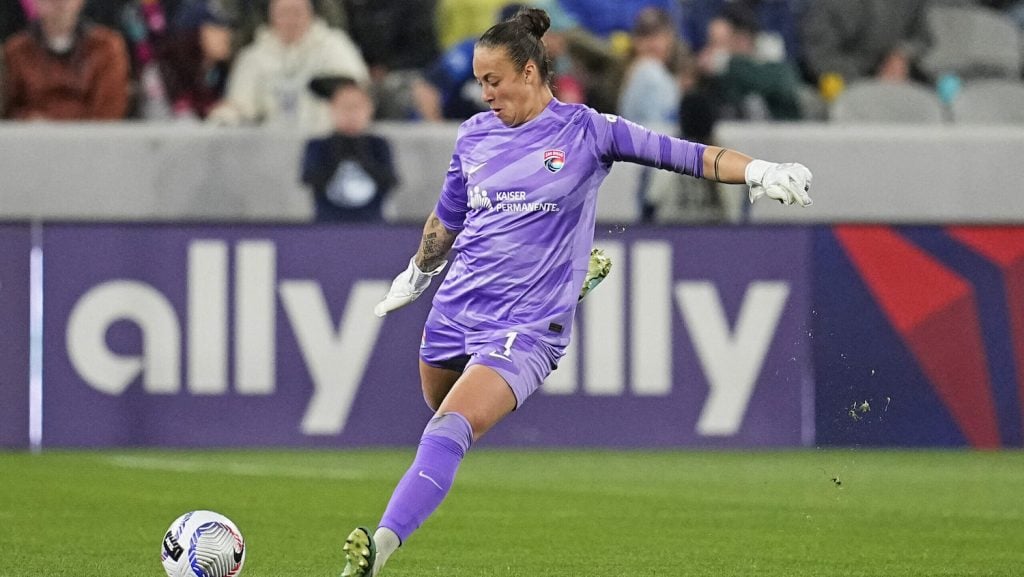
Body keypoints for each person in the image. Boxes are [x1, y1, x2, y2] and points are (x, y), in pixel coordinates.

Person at [337, 8, 812, 577]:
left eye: (494, 80)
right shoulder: (473, 135)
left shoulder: (589, 131)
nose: (484, 93)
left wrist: (759, 171)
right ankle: (568, 274)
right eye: (480, 81)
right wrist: (416, 274)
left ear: (532, 73)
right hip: (456, 306)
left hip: (527, 327)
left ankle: (379, 548)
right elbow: (447, 221)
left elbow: (688, 155)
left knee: (449, 430)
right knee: (440, 410)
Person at [206, 0, 368, 134]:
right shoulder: (254, 56)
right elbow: (240, 106)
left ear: (310, 15)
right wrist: (225, 117)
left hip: (325, 144)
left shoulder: (335, 47)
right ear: (272, 18)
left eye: (297, 12)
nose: (291, 20)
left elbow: (355, 95)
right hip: (269, 146)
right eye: (284, 13)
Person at [2, 0, 130, 120]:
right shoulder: (16, 51)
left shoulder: (106, 48)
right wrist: (27, 121)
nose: (59, 2)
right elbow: (10, 109)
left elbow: (110, 109)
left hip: (92, 139)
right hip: (32, 139)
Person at [300, 75, 397, 222]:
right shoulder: (317, 145)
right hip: (327, 226)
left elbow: (390, 180)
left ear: (369, 109)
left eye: (357, 107)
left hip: (371, 226)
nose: (351, 113)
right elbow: (310, 179)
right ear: (332, 109)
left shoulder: (378, 145)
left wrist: (361, 151)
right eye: (344, 107)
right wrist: (338, 148)